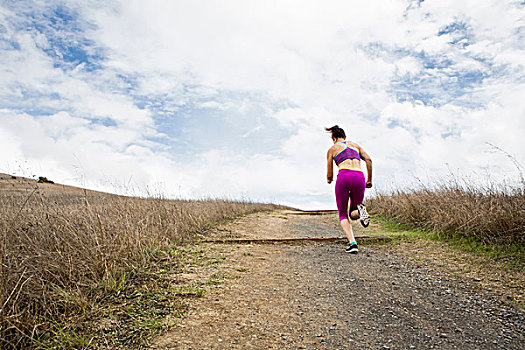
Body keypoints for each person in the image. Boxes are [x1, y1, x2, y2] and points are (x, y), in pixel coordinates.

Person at [326, 125, 372, 254]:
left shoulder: (332, 149)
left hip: (344, 176)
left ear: (333, 138)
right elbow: (368, 160)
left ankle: (353, 243)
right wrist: (369, 180)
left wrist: (329, 179)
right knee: (354, 212)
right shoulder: (355, 145)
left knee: (343, 214)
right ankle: (362, 211)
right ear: (345, 137)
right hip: (359, 177)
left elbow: (329, 174)